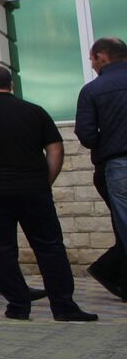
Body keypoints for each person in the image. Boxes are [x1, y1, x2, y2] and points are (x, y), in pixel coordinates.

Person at [0, 65, 97, 322]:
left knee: (1, 249)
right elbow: (55, 149)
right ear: (11, 85)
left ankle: (18, 306)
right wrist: (46, 180)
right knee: (50, 247)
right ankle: (64, 307)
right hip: (33, 189)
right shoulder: (34, 112)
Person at [75, 36, 127, 301]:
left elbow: (86, 135)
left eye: (92, 60)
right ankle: (111, 273)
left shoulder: (93, 90)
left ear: (102, 57)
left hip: (117, 164)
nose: (92, 65)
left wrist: (107, 139)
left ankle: (109, 271)